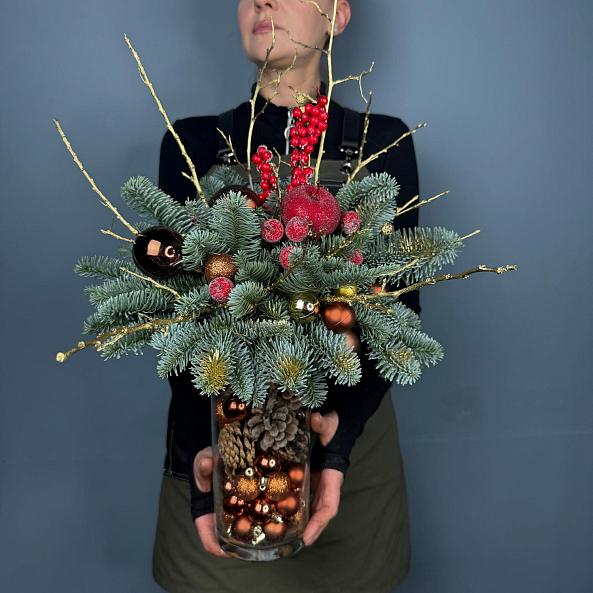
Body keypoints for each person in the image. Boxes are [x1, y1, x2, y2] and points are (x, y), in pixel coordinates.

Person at [152, 1, 421, 591]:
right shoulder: (192, 145)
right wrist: (202, 455)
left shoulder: (381, 144)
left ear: (337, 15)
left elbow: (398, 316)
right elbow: (176, 323)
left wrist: (339, 444)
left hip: (350, 461)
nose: (263, 1)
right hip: (221, 460)